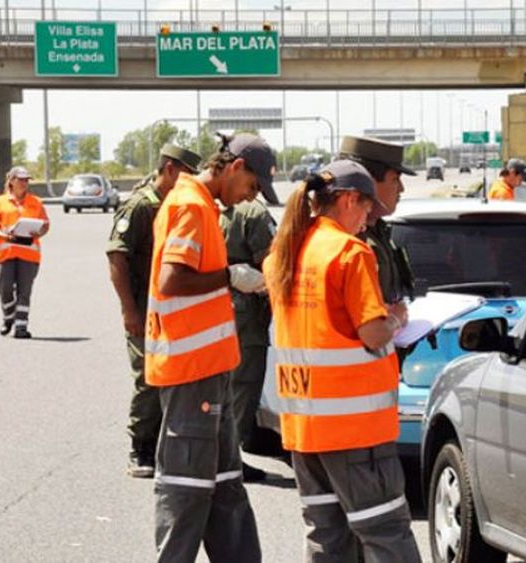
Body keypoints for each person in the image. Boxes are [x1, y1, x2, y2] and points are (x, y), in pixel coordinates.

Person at [263, 160, 422, 563]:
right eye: (367, 208)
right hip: (354, 431)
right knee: (386, 533)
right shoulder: (349, 252)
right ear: (350, 199)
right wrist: (397, 318)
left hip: (304, 429)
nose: (368, 220)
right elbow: (372, 333)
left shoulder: (286, 252)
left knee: (327, 537)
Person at [145, 133, 273, 563]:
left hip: (207, 370)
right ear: (234, 168)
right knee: (187, 489)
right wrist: (231, 276)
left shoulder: (201, 205)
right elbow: (172, 280)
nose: (250, 197)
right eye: (252, 186)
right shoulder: (192, 207)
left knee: (225, 486)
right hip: (191, 371)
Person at [106, 143, 202, 479]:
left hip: (171, 310)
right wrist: (129, 310)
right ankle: (141, 446)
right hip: (143, 309)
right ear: (170, 169)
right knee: (149, 378)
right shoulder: (140, 206)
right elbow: (117, 258)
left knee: (173, 377)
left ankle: (166, 445)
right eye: (187, 174)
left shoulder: (178, 205)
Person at [219, 197, 276, 483]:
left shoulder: (217, 207)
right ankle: (228, 459)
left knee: (228, 384)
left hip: (222, 302)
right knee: (245, 385)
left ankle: (224, 454)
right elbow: (269, 262)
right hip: (248, 308)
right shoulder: (254, 211)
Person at [339, 136, 415, 306]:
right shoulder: (349, 244)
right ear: (368, 184)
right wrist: (393, 317)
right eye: (395, 180)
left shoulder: (379, 232)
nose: (401, 188)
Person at [0, 166, 50, 339]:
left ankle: (21, 327)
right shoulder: (0, 201)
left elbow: (45, 224)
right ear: (11, 181)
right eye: (21, 180)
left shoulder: (36, 202)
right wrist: (3, 235)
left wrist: (39, 232)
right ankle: (9, 317)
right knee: (5, 289)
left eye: (26, 180)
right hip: (6, 254)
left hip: (29, 255)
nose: (24, 183)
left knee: (24, 292)